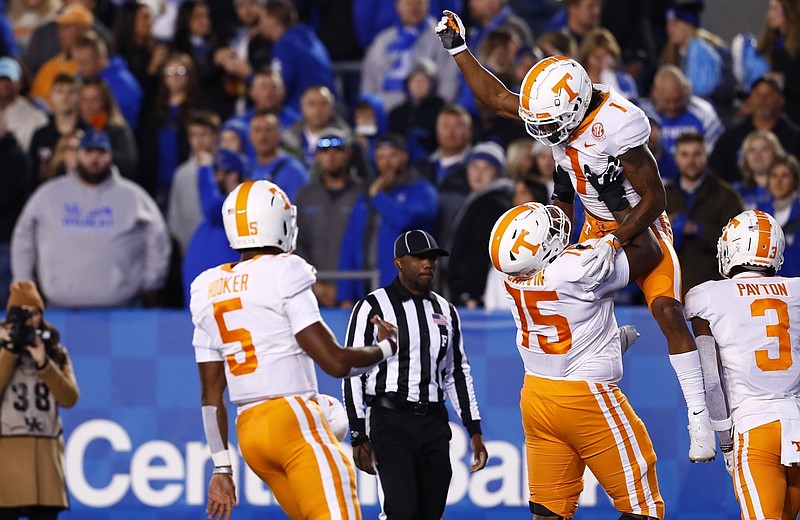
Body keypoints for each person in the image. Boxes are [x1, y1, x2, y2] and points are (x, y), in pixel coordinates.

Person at [436, 10, 717, 461]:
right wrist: (458, 50)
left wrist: (614, 238)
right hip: (591, 222)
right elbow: (498, 99)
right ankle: (607, 342)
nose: (543, 134)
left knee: (665, 309)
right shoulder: (558, 116)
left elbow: (655, 201)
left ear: (574, 105)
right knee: (548, 289)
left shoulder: (620, 124)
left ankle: (700, 418)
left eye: (550, 125)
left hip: (638, 226)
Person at [190, 179, 399, 520]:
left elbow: (211, 396)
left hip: (251, 433)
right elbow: (335, 362)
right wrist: (386, 348)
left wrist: (222, 467)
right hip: (292, 419)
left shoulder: (206, 288)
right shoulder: (284, 270)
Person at [489, 201, 664, 519]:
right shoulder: (573, 268)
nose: (557, 229)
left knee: (548, 511)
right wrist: (617, 201)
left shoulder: (509, 276)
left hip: (537, 395)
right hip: (585, 398)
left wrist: (564, 192)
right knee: (643, 508)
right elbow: (650, 250)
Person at [342, 228, 488, 520]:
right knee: (402, 511)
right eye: (420, 257)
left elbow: (455, 372)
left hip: (434, 423)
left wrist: (474, 430)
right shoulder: (372, 307)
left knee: (430, 513)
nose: (428, 264)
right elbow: (352, 370)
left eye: (432, 258)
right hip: (390, 420)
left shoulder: (445, 310)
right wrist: (358, 434)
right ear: (399, 262)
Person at [684, 209, 800, 519]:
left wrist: (725, 444)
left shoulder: (707, 296)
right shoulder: (796, 290)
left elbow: (711, 381)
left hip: (755, 428)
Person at [11, 129, 171, 308]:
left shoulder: (134, 196)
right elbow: (23, 237)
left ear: (110, 155)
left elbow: (158, 237)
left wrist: (152, 281)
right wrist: (24, 283)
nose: (94, 159)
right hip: (58, 308)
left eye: (101, 152)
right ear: (78, 154)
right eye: (88, 152)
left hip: (124, 310)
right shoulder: (48, 194)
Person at [0, 280, 79, 519]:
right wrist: (10, 351)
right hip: (7, 454)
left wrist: (44, 362)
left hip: (46, 456)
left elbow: (69, 398)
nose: (29, 320)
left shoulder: (55, 351)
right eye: (22, 314)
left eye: (34, 313)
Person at [664, 132, 743, 295]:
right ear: (676, 158)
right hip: (669, 287)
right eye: (685, 155)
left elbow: (738, 245)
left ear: (706, 156)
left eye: (697, 154)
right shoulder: (662, 195)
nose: (691, 161)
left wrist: (697, 229)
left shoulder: (727, 195)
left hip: (714, 289)